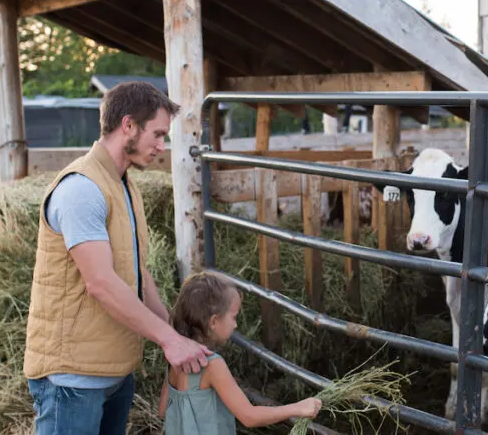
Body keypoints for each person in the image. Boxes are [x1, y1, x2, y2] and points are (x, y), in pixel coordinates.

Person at [24, 81, 213, 435]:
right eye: (157, 134)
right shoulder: (82, 188)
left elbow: (135, 273)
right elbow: (101, 283)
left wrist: (175, 331)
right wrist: (169, 341)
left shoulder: (125, 186)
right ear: (128, 125)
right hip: (74, 379)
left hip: (115, 369)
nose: (162, 146)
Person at [158, 271, 323, 433]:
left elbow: (163, 410)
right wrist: (297, 408)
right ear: (214, 321)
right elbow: (249, 417)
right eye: (234, 317)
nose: (235, 325)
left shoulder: (175, 359)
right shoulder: (212, 365)